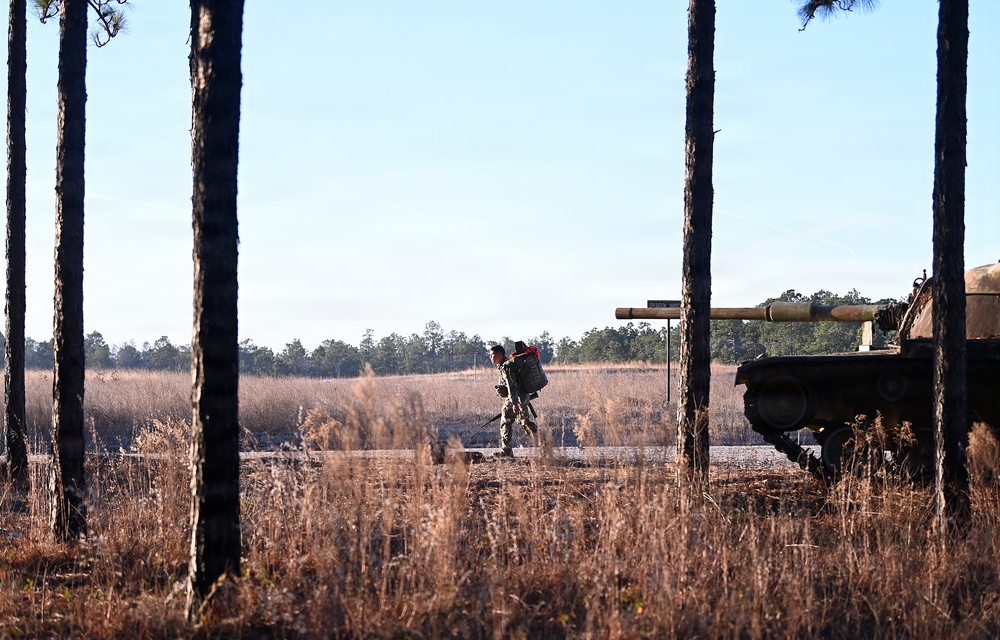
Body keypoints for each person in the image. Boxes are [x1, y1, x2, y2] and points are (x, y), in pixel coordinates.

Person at [489, 343, 539, 458]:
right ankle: (545, 445)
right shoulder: (505, 365)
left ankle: (506, 451)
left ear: (500, 354)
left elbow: (512, 386)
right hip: (518, 398)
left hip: (516, 399)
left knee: (515, 422)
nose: (490, 357)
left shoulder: (507, 367)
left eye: (492, 355)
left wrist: (515, 403)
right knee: (520, 422)